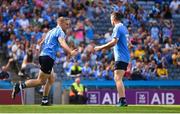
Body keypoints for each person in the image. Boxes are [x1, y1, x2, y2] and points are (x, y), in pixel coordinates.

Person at [11, 17, 78, 106]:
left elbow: (42, 41)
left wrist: (40, 45)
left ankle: (45, 100)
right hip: (48, 58)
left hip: (44, 56)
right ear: (61, 23)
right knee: (41, 81)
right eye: (67, 24)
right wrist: (70, 52)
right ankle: (19, 86)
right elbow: (62, 43)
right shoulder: (60, 32)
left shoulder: (51, 31)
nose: (68, 26)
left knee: (51, 78)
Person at [94, 12, 130, 106]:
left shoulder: (117, 27)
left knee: (117, 78)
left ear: (113, 18)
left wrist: (100, 47)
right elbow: (129, 43)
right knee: (119, 78)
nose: (110, 20)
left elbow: (114, 42)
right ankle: (122, 99)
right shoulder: (124, 28)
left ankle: (122, 100)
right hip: (125, 56)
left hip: (121, 57)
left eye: (111, 18)